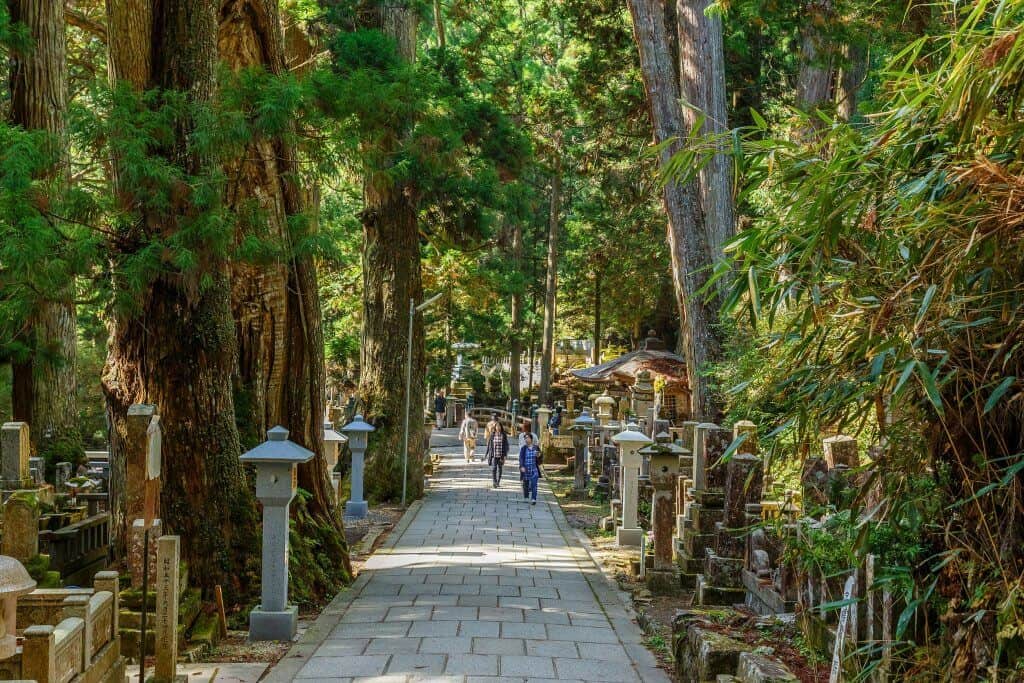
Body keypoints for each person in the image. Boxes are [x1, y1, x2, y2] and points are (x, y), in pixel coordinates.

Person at [485, 418, 509, 488]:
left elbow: (506, 445)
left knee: (500, 468)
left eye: (499, 426)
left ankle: (498, 481)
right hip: (494, 455)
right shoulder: (492, 435)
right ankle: (494, 481)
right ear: (495, 427)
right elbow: (489, 445)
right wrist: (486, 454)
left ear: (501, 427)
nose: (498, 427)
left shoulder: (503, 435)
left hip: (501, 455)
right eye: (497, 426)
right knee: (494, 468)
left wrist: (505, 455)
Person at [519, 433, 541, 505]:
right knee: (526, 484)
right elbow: (521, 458)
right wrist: (521, 466)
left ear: (531, 439)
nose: (526, 439)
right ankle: (526, 496)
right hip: (526, 469)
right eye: (525, 438)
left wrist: (539, 456)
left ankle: (533, 499)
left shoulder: (536, 447)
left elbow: (540, 458)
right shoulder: (523, 448)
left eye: (527, 438)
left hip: (534, 469)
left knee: (534, 484)